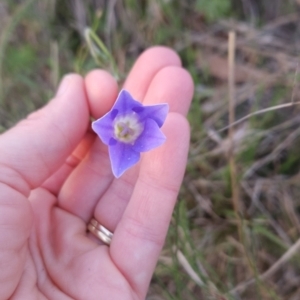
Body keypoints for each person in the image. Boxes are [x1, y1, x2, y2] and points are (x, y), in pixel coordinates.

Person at [0, 46, 194, 300]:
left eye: (125, 131)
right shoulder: (110, 126)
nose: (124, 132)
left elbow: (148, 121)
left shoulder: (138, 124)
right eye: (121, 130)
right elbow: (106, 125)